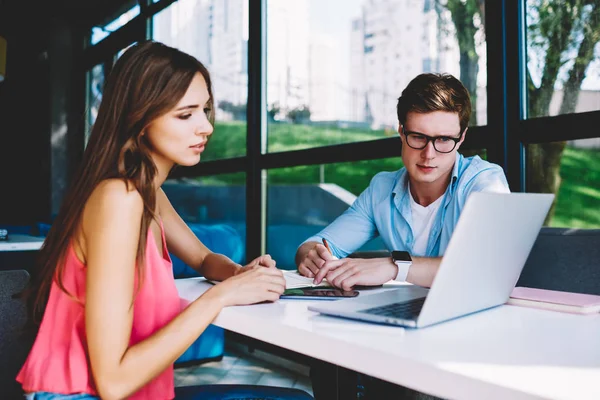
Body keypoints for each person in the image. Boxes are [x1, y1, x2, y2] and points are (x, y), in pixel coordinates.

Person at [15, 41, 308, 400]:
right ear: (139, 118)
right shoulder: (118, 199)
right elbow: (114, 383)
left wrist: (238, 275)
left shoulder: (147, 193)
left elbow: (202, 259)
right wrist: (220, 297)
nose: (206, 128)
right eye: (185, 115)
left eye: (205, 109)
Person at [295, 72, 509, 399]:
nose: (429, 154)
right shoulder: (383, 188)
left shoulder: (484, 183)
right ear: (401, 132)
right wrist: (310, 253)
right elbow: (320, 243)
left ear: (461, 138)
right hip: (408, 329)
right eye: (418, 137)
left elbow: (486, 268)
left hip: (471, 332)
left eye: (444, 140)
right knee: (328, 352)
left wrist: (397, 266)